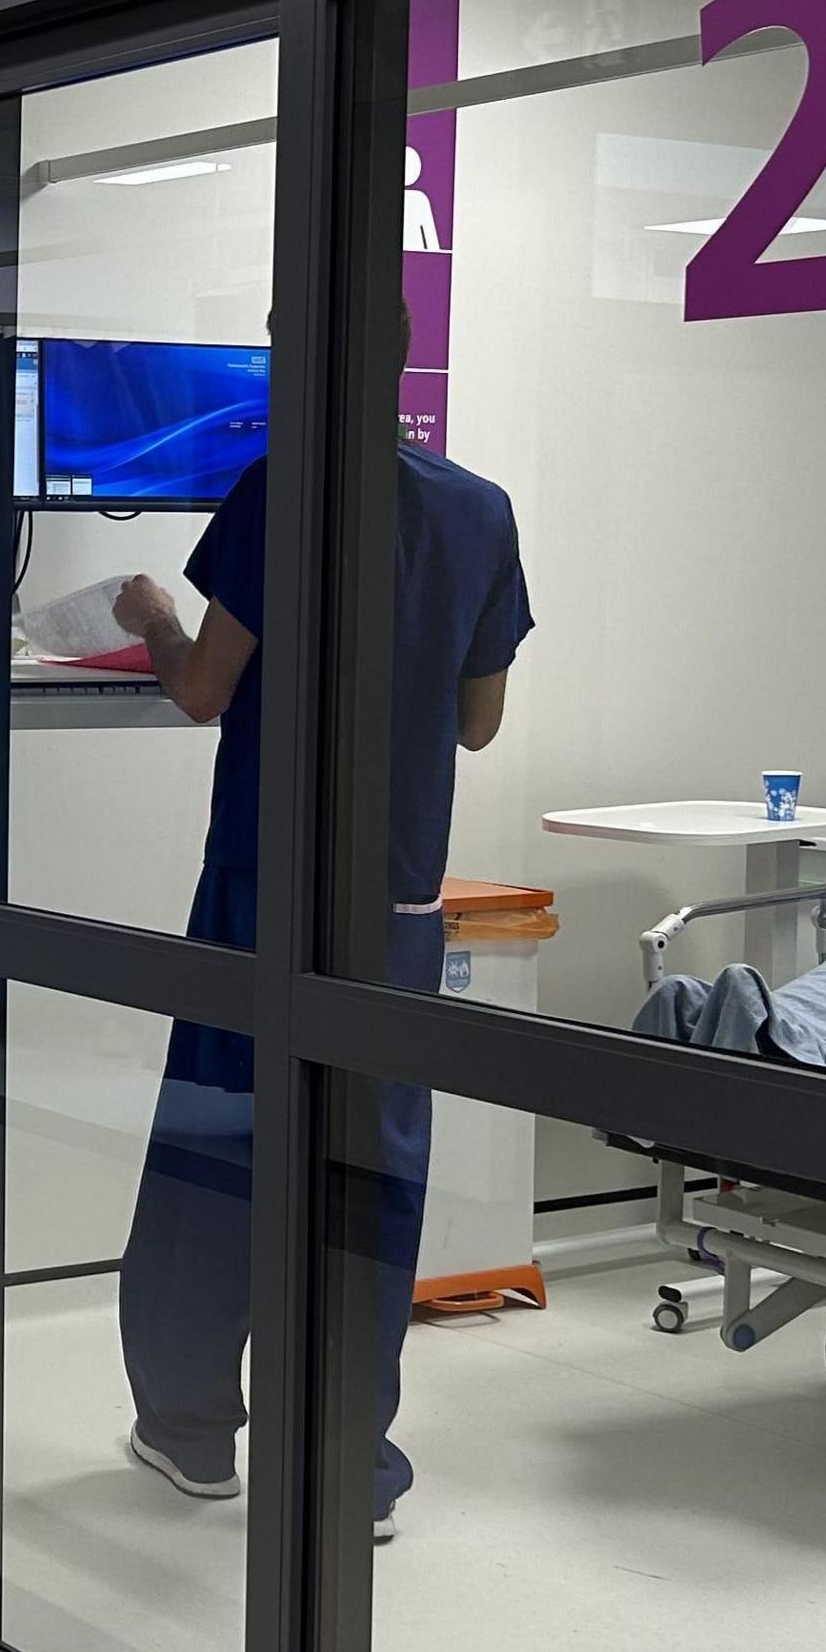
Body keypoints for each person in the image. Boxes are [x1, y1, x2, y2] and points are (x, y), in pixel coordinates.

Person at [108, 434, 529, 1539]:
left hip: (265, 889)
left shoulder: (278, 487)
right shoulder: (479, 509)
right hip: (395, 905)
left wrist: (153, 617)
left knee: (215, 1151)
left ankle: (191, 1435)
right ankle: (347, 1468)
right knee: (371, 1176)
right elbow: (478, 723)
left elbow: (203, 689)